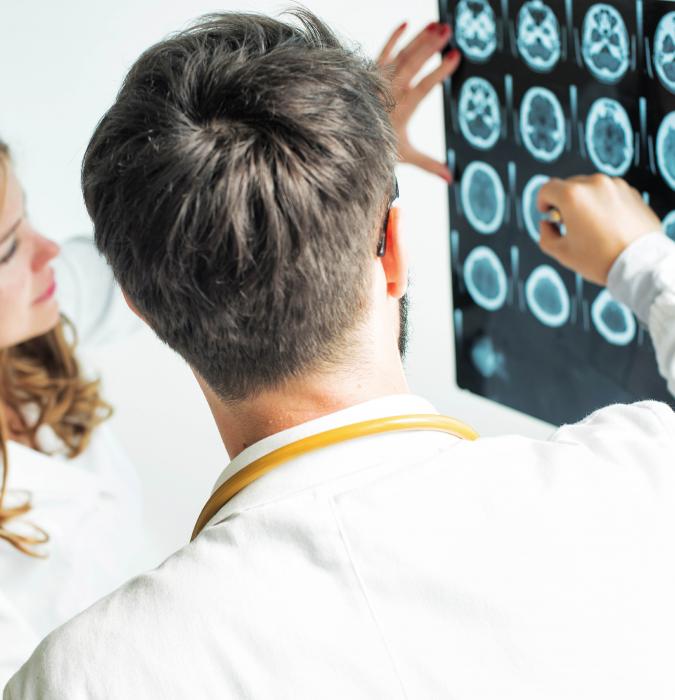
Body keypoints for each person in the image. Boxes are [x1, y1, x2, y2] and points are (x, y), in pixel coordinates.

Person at [7, 11, 675, 698]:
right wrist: (642, 263)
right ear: (393, 249)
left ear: (141, 308)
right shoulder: (641, 484)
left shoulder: (79, 676)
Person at [0, 142, 144, 685]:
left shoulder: (35, 331)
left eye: (26, 217)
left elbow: (169, 244)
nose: (48, 251)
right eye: (9, 249)